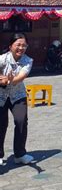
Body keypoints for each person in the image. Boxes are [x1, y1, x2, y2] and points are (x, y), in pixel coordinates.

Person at [0, 33, 34, 166]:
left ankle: (19, 154)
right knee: (1, 125)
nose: (21, 48)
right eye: (18, 45)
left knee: (21, 122)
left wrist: (9, 79)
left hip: (18, 96)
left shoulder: (28, 61)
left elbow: (20, 77)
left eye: (24, 45)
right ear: (10, 46)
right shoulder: (2, 59)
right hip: (1, 96)